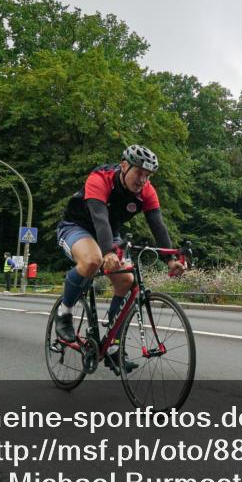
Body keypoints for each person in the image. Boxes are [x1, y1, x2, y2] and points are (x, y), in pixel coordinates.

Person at [54, 145, 185, 344]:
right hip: (77, 226)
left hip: (109, 233)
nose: (142, 179)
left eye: (148, 175)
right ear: (124, 166)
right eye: (139, 172)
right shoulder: (100, 178)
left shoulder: (147, 191)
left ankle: (112, 343)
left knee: (126, 280)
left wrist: (171, 259)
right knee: (92, 261)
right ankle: (64, 314)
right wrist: (107, 253)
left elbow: (158, 226)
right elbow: (100, 219)